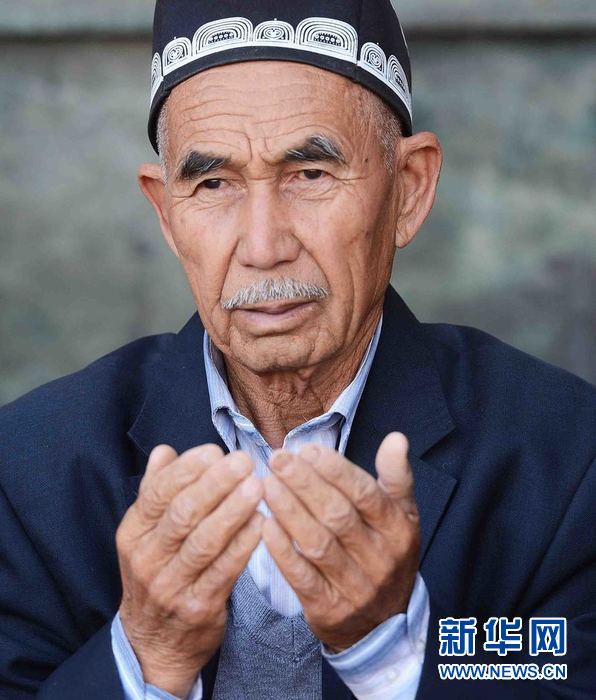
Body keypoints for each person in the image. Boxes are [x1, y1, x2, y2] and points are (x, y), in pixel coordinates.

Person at [0, 1, 594, 698]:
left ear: (408, 189)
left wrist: (391, 652)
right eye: (213, 183)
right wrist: (145, 657)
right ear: (166, 212)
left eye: (309, 174)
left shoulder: (567, 459)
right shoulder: (29, 470)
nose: (263, 246)